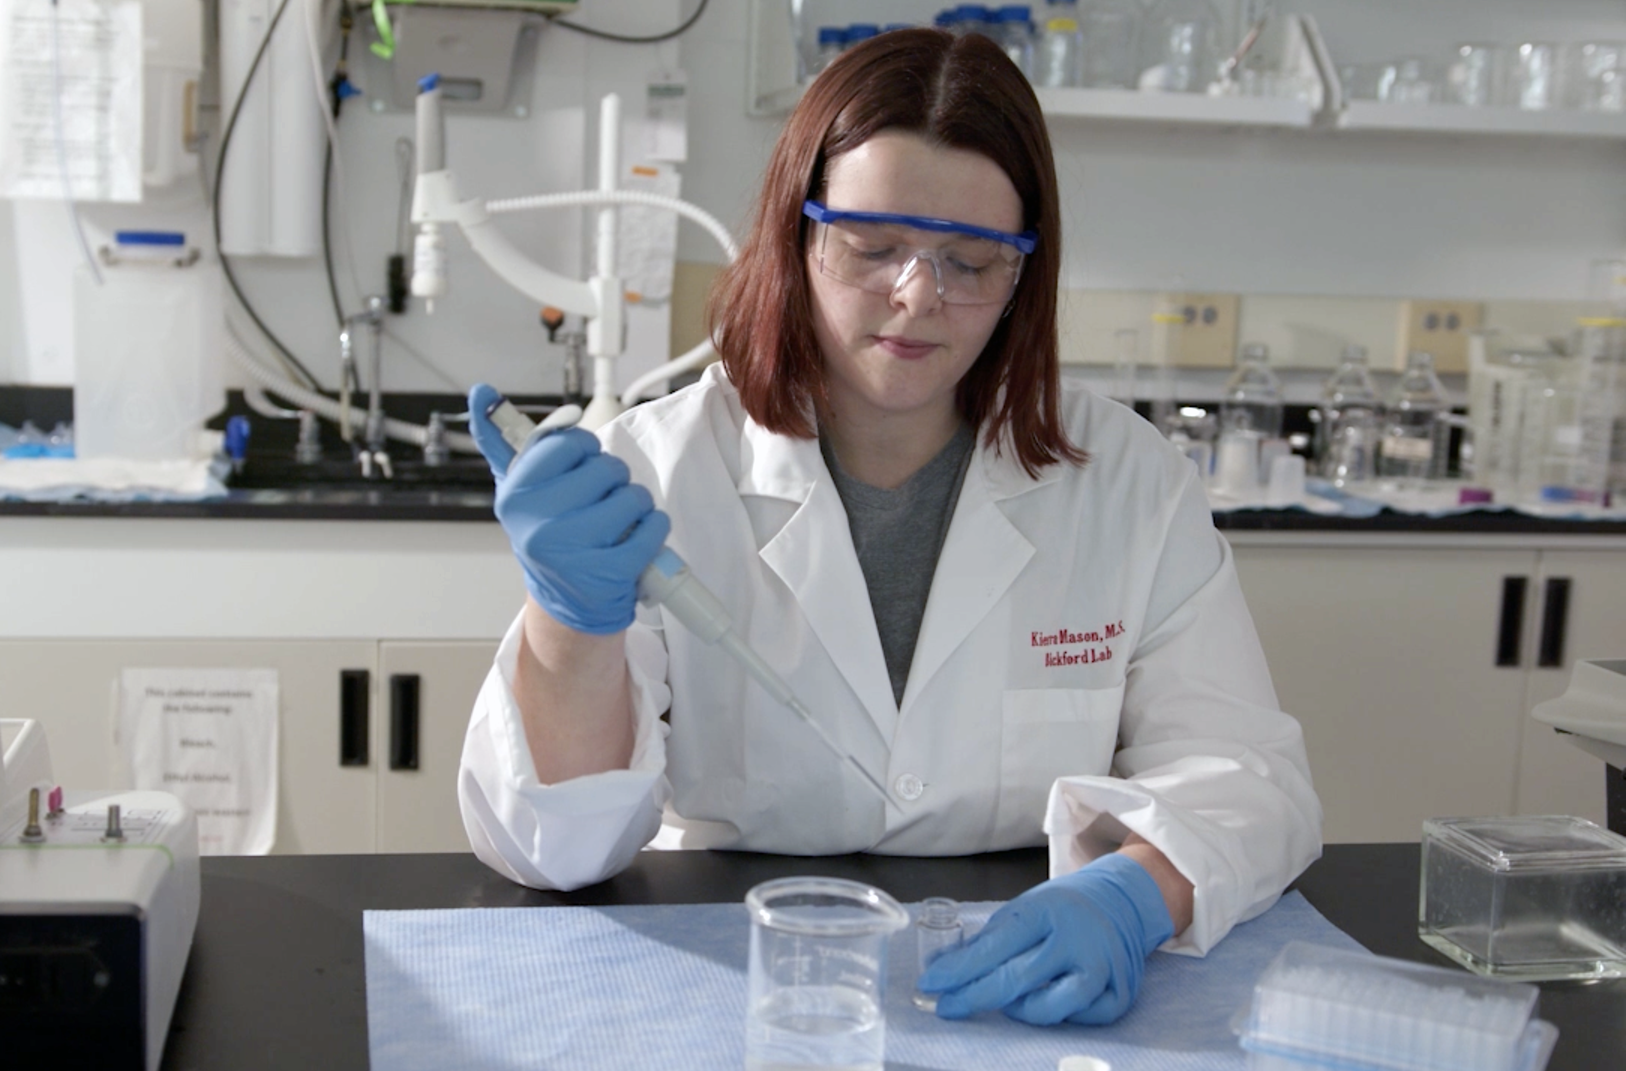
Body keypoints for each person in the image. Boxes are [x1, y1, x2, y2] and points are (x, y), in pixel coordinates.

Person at [458, 28, 1321, 1026]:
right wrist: (569, 628)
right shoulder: (662, 467)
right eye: (873, 249)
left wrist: (1140, 890)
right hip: (732, 981)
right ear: (800, 234)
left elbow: (1252, 777)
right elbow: (550, 850)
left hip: (1024, 987)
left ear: (1023, 274)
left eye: (971, 260)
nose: (920, 296)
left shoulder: (1127, 483)